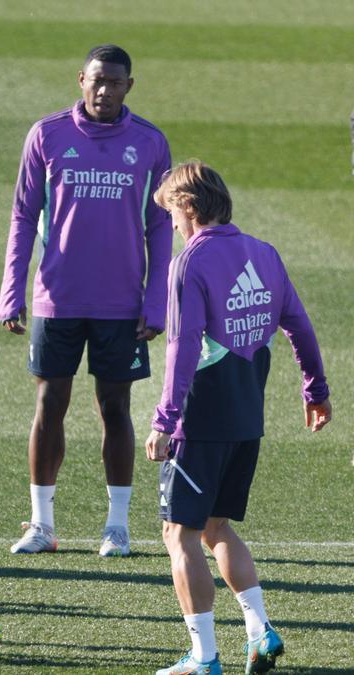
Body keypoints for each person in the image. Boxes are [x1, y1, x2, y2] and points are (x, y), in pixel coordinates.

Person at [145, 162, 331, 675]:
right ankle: (259, 630)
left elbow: (183, 348)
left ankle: (203, 657)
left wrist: (166, 420)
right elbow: (299, 325)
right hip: (247, 417)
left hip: (200, 421)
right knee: (215, 526)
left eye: (172, 215)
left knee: (178, 534)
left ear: (189, 205)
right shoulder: (264, 253)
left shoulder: (191, 262)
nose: (173, 227)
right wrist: (315, 388)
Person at [0, 44, 172, 557]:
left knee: (115, 408)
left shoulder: (149, 142)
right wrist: (12, 291)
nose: (104, 90)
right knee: (50, 405)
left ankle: (116, 526)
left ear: (128, 87)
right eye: (96, 80)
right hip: (58, 297)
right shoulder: (47, 135)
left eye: (114, 83)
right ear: (80, 79)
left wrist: (156, 300)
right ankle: (42, 524)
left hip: (122, 303)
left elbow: (160, 226)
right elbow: (23, 216)